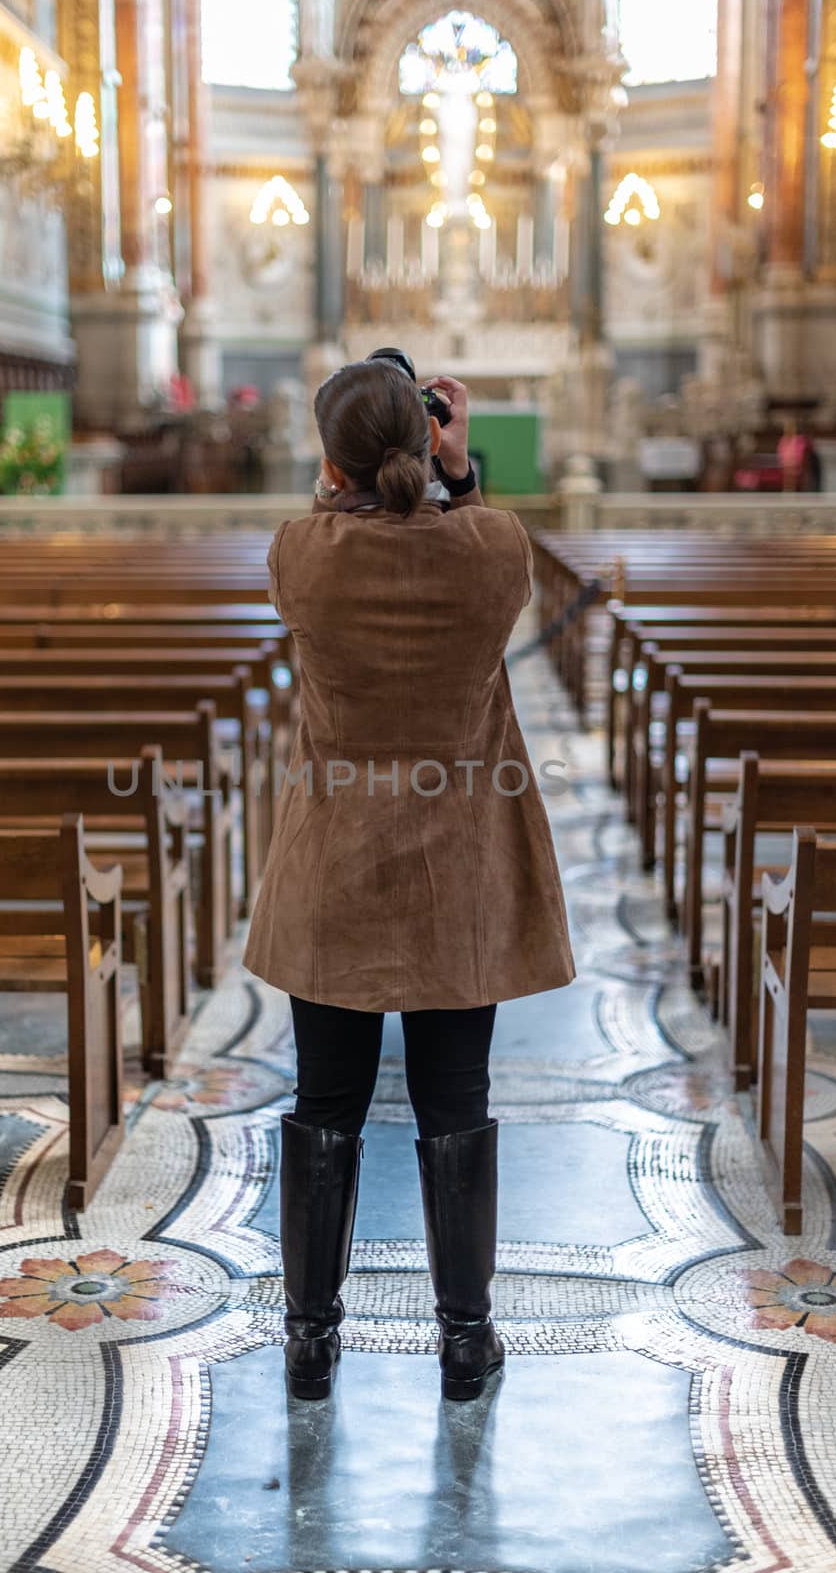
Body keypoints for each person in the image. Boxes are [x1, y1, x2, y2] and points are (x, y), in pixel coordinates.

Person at [242, 359, 574, 1402]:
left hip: (336, 864)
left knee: (324, 1099)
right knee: (454, 1099)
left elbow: (328, 523)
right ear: (425, 440)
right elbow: (469, 528)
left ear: (331, 461)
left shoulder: (303, 555)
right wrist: (458, 469)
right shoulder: (493, 551)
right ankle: (467, 1339)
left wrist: (354, 475)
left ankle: (309, 1339)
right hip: (457, 868)